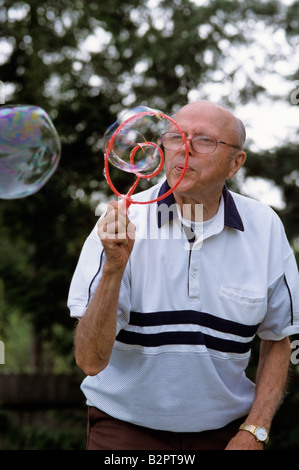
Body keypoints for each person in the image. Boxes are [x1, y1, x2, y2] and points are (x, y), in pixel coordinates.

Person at [68, 100, 299, 450]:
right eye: (175, 137)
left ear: (235, 163)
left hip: (225, 435)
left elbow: (278, 338)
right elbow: (89, 360)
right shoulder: (120, 224)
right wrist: (114, 270)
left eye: (204, 140)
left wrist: (256, 430)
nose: (184, 150)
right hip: (125, 429)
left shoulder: (264, 228)